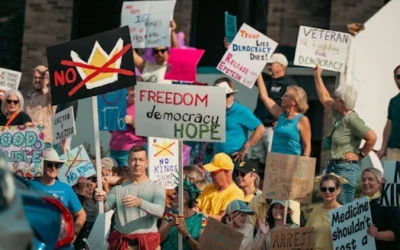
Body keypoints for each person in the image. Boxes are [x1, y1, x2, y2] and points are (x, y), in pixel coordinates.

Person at [314, 65, 377, 204]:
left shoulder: (352, 119)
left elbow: (372, 137)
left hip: (345, 168)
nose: (332, 99)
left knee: (343, 208)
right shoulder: (339, 114)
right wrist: (317, 75)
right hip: (334, 166)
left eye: (335, 97)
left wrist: (359, 155)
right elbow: (324, 98)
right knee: (332, 207)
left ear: (341, 101)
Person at [94, 145, 165, 249]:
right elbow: (102, 209)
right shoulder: (118, 189)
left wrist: (140, 203)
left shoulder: (156, 188)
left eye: (141, 160)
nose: (137, 164)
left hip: (149, 245)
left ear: (146, 163)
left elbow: (159, 212)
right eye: (133, 160)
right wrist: (101, 199)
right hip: (124, 245)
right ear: (128, 162)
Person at [250, 54, 298, 177]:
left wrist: (285, 121)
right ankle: (256, 188)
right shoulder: (265, 79)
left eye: (271, 64)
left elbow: (295, 107)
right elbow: (247, 67)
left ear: (281, 66)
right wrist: (231, 48)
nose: (268, 66)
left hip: (273, 128)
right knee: (256, 159)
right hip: (259, 126)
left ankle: (271, 189)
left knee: (273, 159)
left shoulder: (290, 84)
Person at [29, 148, 86, 240]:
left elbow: (81, 214)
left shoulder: (66, 188)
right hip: (36, 237)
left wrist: (74, 233)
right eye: (50, 165)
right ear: (42, 166)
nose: (54, 168)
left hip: (59, 238)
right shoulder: (30, 186)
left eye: (57, 165)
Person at [256, 74, 311, 156]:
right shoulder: (281, 114)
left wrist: (303, 166)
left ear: (294, 101)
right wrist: (259, 75)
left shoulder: (302, 120)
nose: (282, 98)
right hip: (276, 162)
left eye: (285, 96)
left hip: (292, 162)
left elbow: (307, 146)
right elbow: (264, 97)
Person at [213, 78, 265, 163]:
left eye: (227, 95)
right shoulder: (216, 111)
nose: (225, 99)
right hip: (218, 158)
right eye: (220, 96)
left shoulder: (241, 111)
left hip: (235, 158)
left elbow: (260, 129)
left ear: (232, 95)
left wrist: (245, 147)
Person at [159, 179, 206, 250]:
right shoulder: (169, 216)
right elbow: (158, 239)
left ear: (189, 198)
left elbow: (201, 248)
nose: (175, 196)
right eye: (175, 193)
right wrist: (171, 224)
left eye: (181, 193)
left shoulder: (202, 220)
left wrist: (185, 233)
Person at [197, 153, 245, 220]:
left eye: (214, 172)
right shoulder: (208, 188)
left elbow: (222, 219)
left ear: (227, 172)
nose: (210, 175)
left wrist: (198, 215)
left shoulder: (236, 193)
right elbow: (196, 207)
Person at [361, 168, 400, 250]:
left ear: (380, 183)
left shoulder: (389, 202)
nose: (366, 182)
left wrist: (377, 234)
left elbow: (397, 234)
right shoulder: (359, 205)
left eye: (370, 179)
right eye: (363, 180)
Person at [110, 85, 146, 167]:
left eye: (137, 89)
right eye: (132, 89)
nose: (134, 92)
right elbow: (111, 128)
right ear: (127, 91)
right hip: (114, 149)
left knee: (128, 178)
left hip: (131, 151)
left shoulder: (145, 105)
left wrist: (132, 122)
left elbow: (150, 131)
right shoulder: (118, 103)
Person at [306, 173, 344, 250]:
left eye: (331, 189)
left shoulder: (344, 212)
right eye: (323, 189)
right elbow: (306, 235)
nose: (327, 192)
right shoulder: (316, 210)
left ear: (338, 190)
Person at [25, 65, 56, 148]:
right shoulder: (29, 97)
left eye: (40, 78)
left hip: (46, 142)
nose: (37, 80)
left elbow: (54, 84)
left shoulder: (49, 95)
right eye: (35, 77)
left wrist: (46, 72)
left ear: (46, 79)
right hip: (29, 142)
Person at [378, 65, 400, 161]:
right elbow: (389, 125)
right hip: (393, 149)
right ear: (395, 79)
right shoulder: (393, 101)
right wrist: (383, 147)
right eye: (398, 77)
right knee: (391, 176)